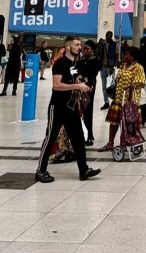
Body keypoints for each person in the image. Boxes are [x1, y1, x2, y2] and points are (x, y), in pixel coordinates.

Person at [35, 37, 100, 184]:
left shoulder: (74, 64)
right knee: (50, 138)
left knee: (78, 139)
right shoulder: (60, 63)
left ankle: (83, 170)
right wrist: (76, 87)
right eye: (77, 45)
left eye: (80, 45)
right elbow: (56, 85)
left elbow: (75, 79)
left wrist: (83, 85)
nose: (80, 47)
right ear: (68, 46)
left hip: (71, 108)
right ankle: (41, 170)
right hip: (57, 107)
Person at [99, 46, 146, 152]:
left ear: (133, 57)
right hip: (118, 98)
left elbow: (141, 83)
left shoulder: (138, 68)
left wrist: (132, 85)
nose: (124, 56)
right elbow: (117, 80)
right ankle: (110, 143)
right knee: (114, 122)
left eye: (127, 54)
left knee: (128, 124)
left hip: (130, 101)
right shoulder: (123, 66)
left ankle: (125, 143)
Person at [78, 40, 101, 146]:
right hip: (78, 87)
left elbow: (92, 74)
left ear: (92, 50)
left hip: (88, 88)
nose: (85, 51)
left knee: (87, 111)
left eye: (87, 49)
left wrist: (83, 77)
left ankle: (88, 136)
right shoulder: (81, 60)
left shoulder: (95, 60)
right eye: (84, 49)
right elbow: (76, 70)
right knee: (79, 111)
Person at [100, 31, 118, 110]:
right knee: (103, 86)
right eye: (106, 35)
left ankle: (114, 100)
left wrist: (114, 65)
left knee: (112, 85)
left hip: (110, 67)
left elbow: (117, 55)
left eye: (108, 35)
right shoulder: (103, 44)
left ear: (111, 36)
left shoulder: (115, 44)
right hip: (103, 67)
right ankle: (106, 102)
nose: (107, 36)